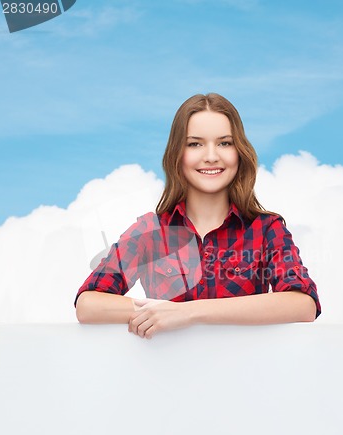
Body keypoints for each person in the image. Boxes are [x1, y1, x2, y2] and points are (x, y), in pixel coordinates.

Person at [75, 93, 321, 338]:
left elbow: (302, 304)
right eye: (195, 144)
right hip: (166, 375)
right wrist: (159, 311)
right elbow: (88, 304)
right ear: (177, 155)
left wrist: (189, 313)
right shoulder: (151, 231)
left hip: (246, 375)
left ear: (239, 152)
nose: (211, 156)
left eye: (224, 143)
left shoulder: (266, 229)